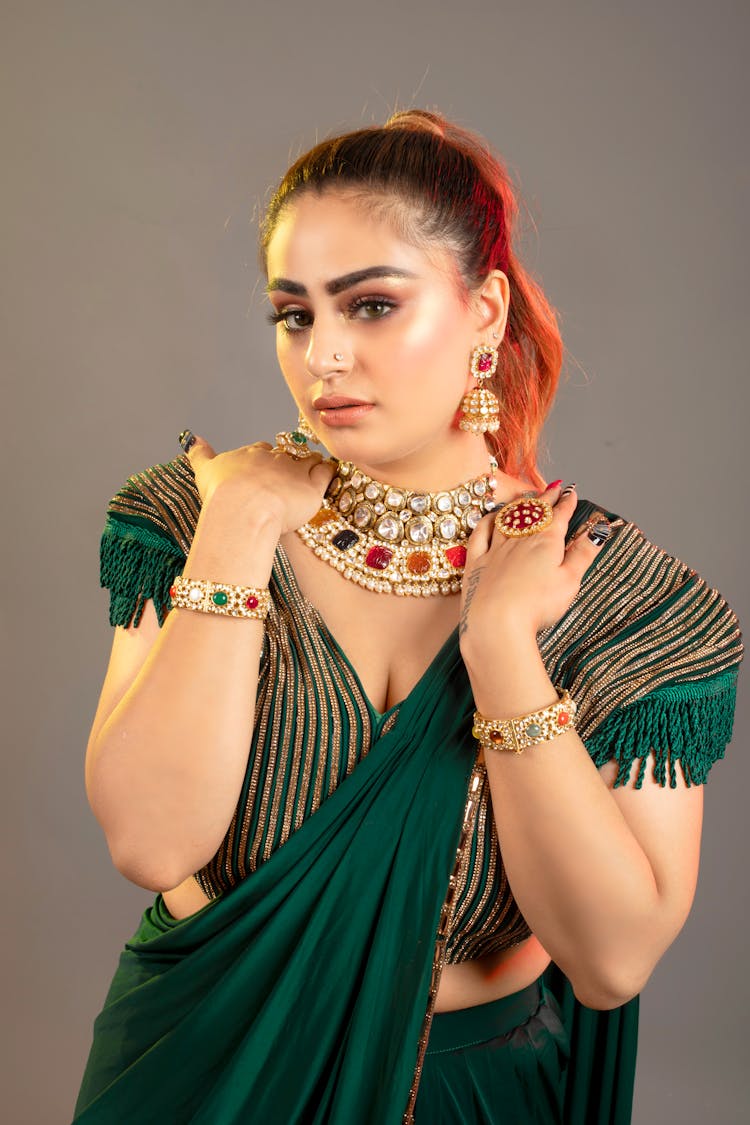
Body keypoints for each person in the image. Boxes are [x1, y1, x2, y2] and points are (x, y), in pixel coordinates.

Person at [73, 110, 742, 1125]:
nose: (323, 356)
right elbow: (153, 845)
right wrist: (241, 527)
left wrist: (503, 650)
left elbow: (610, 963)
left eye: (372, 306)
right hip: (204, 1058)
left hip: (468, 1087)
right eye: (294, 316)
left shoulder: (627, 600)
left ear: (484, 310)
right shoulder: (192, 516)